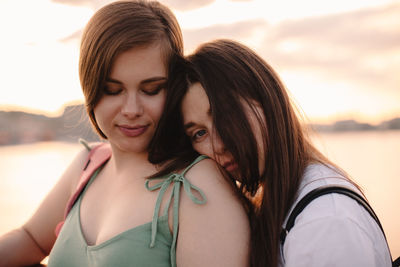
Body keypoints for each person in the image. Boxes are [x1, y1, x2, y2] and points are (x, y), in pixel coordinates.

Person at [0, 3, 250, 267]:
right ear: (89, 88)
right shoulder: (88, 164)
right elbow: (30, 239)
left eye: (151, 89)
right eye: (112, 90)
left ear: (174, 86)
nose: (131, 110)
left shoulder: (197, 186)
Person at [151, 39, 394, 267]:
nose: (218, 145)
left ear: (266, 98)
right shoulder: (283, 205)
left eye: (226, 114)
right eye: (199, 133)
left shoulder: (326, 223)